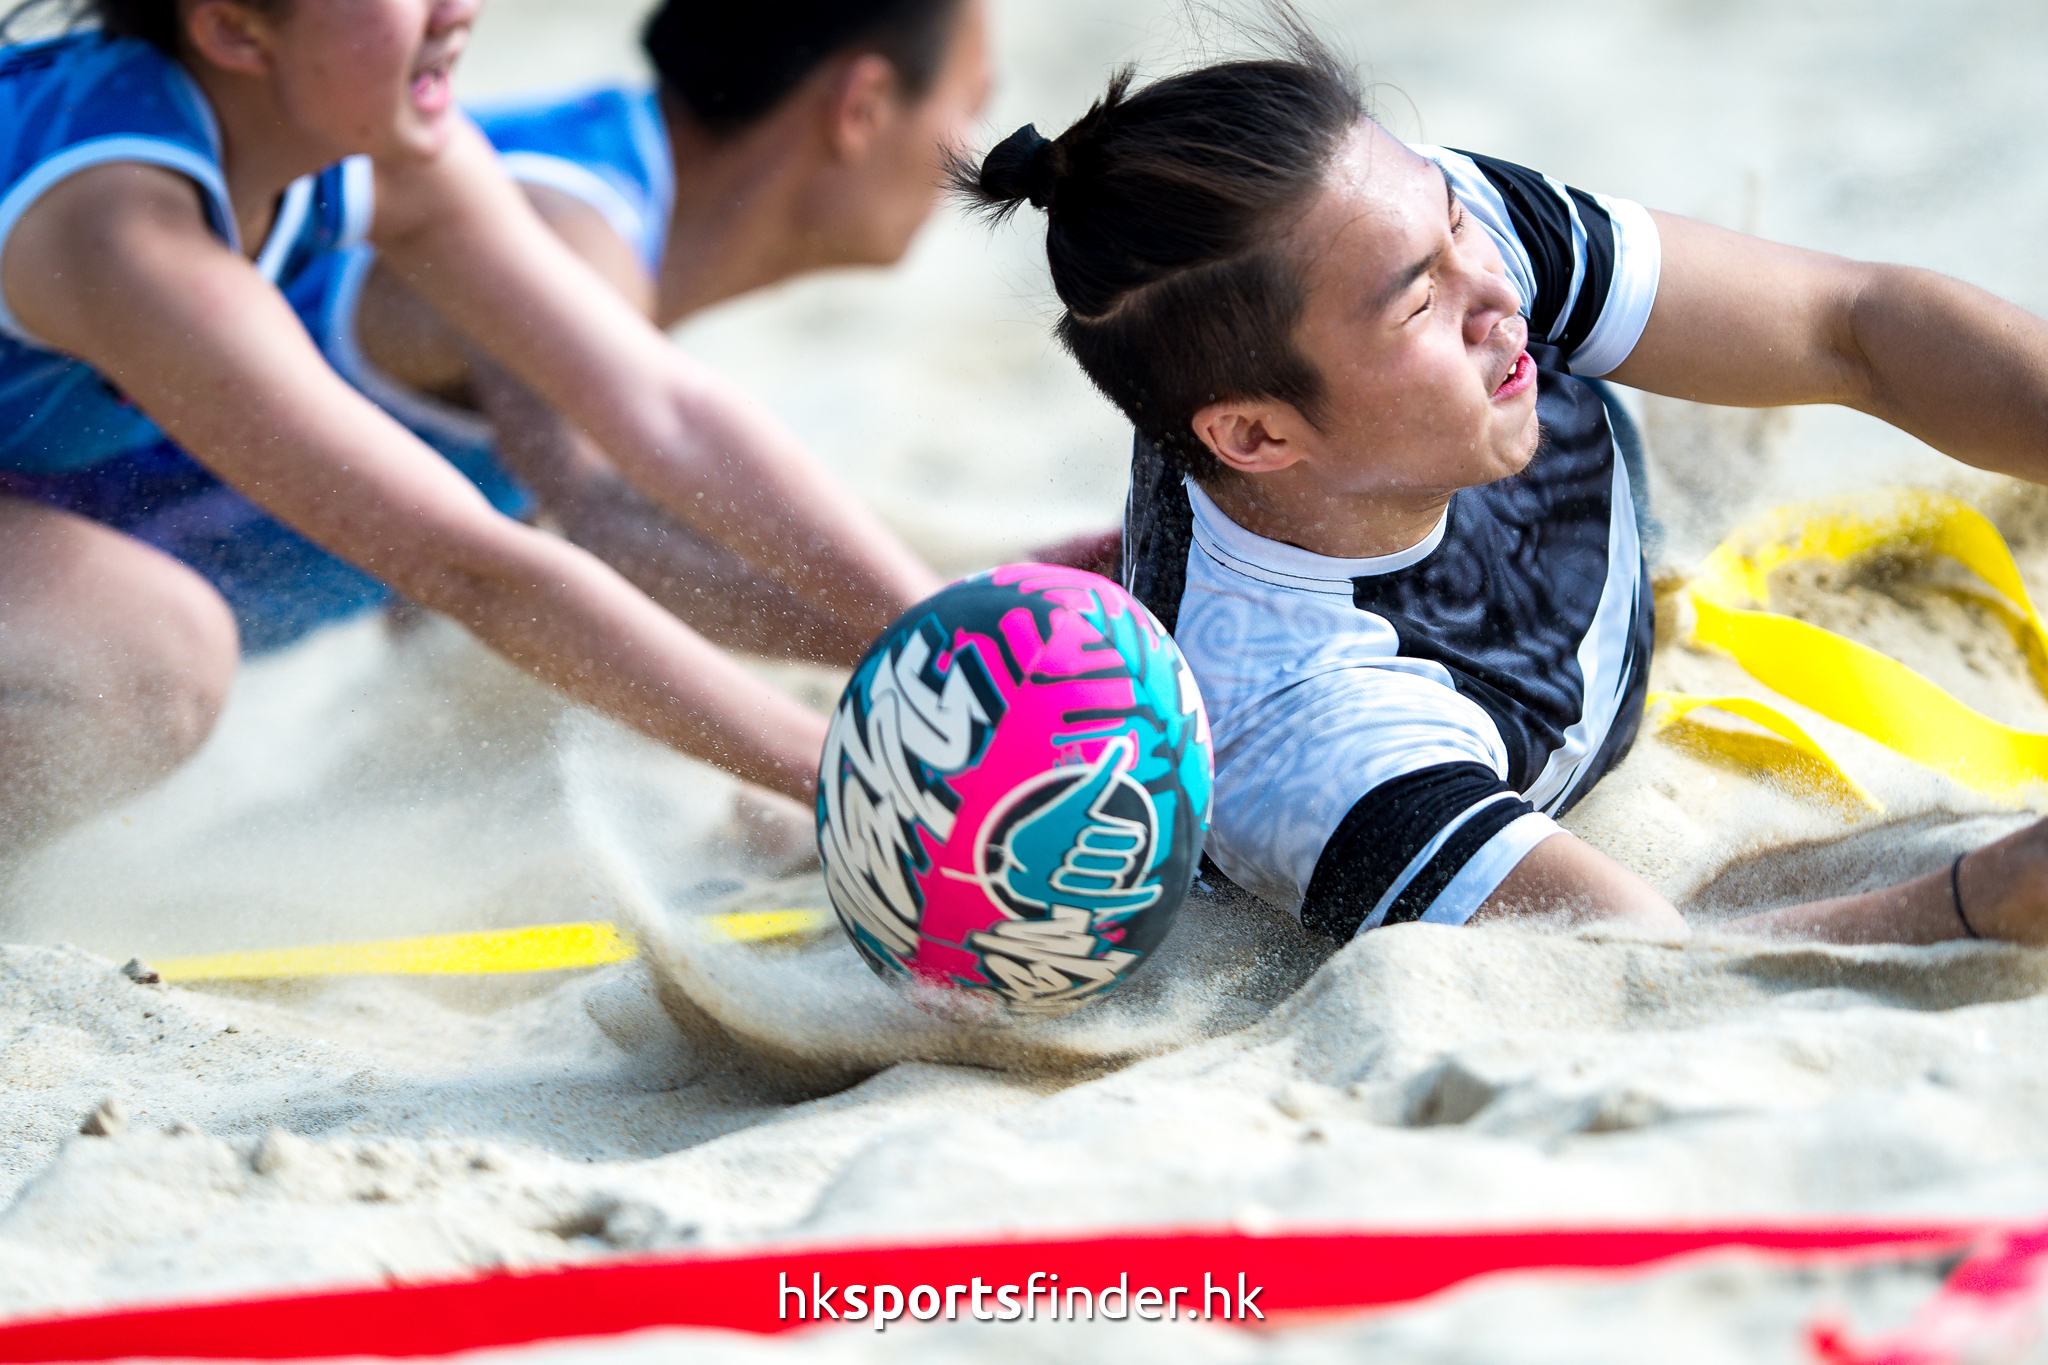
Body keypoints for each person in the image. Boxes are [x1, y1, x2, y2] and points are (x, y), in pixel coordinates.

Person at [951, 27, 2048, 947]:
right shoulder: (1294, 728)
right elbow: (1651, 967)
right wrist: (1988, 899)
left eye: (1451, 223)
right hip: (1383, 734)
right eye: (1414, 302)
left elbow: (1849, 331)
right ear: (1252, 431)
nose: (1492, 289)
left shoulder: (1415, 227)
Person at [0, 0, 941, 856]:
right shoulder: (125, 224)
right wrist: (859, 784)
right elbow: (472, 569)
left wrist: (960, 628)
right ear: (236, 33)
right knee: (151, 655)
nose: (458, 11)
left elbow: (668, 412)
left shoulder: (365, 144)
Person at [310, 0, 1023, 667]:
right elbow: (612, 529)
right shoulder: (566, 223)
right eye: (972, 105)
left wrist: (986, 595)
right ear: (861, 108)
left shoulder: (601, 180)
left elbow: (444, 592)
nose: (982, 153)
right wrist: (971, 649)